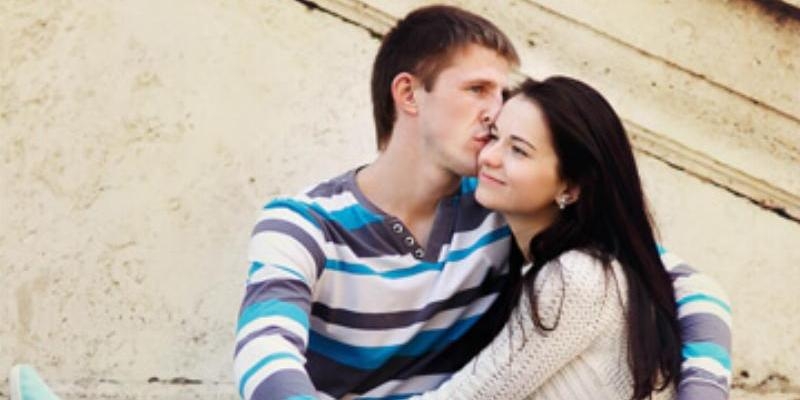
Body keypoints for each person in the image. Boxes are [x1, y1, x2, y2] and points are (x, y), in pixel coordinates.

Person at [233, 5, 732, 400]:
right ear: (409, 94)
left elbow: (685, 285)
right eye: (477, 89)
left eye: (502, 91)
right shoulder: (303, 224)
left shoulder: (501, 207)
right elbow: (265, 352)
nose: (495, 111)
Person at [410, 76, 730, 399]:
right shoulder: (561, 262)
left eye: (518, 151)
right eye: (494, 137)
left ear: (571, 187)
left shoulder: (577, 278)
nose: (489, 157)